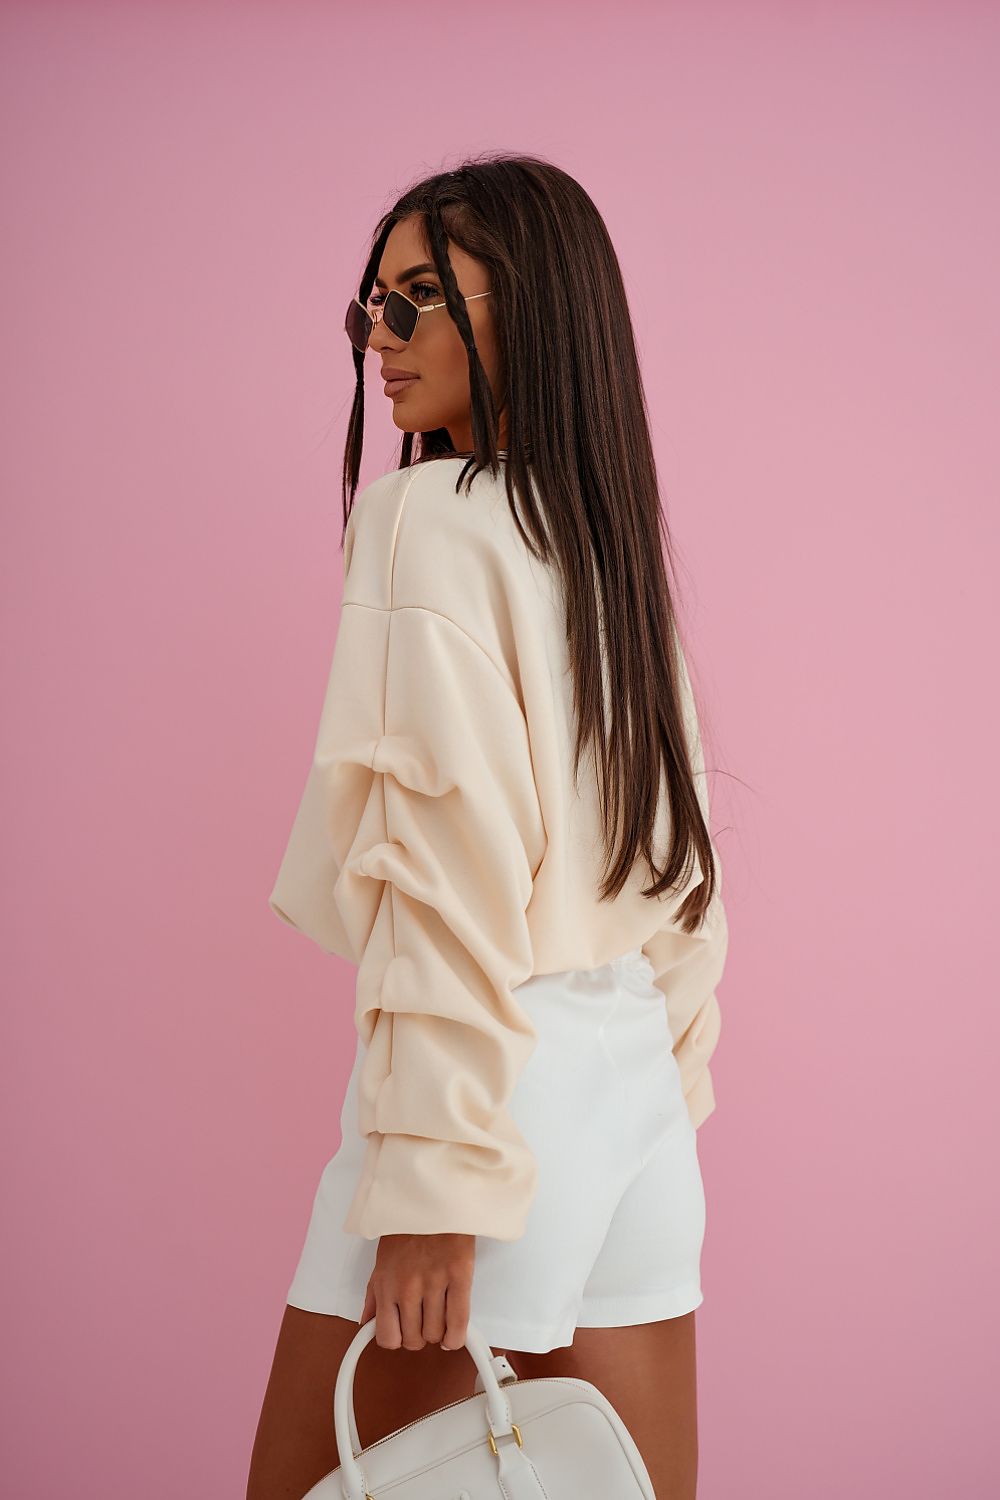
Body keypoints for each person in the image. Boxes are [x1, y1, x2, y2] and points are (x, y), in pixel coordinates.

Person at [247, 152, 730, 1500]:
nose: (378, 343)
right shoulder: (605, 543)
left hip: (488, 1110)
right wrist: (656, 1089)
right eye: (369, 309)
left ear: (524, 314)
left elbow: (438, 872)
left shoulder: (422, 524)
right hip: (627, 1095)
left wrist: (434, 1192)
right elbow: (682, 871)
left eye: (417, 303)